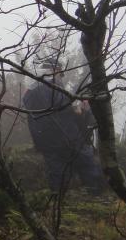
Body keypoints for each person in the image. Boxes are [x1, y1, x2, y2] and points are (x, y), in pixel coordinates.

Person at [23, 58, 103, 194]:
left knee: (56, 170)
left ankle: (59, 201)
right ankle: (95, 193)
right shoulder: (52, 88)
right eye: (60, 73)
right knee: (86, 161)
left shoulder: (30, 91)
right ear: (55, 70)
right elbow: (65, 108)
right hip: (65, 134)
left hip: (43, 138)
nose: (61, 77)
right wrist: (79, 109)